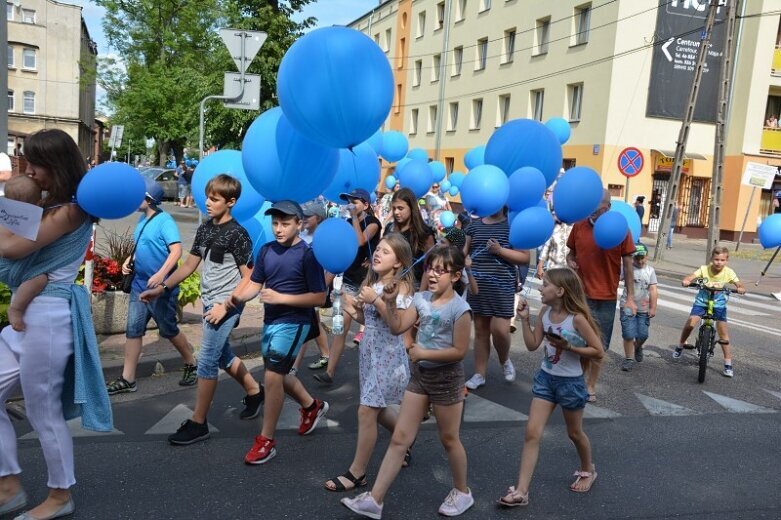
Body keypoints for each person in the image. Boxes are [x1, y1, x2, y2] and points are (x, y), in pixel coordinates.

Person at [0, 128, 112, 519]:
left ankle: (60, 495)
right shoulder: (50, 203)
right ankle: (8, 485)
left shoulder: (72, 210)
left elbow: (11, 246)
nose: (28, 171)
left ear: (57, 166)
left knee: (43, 411)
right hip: (27, 317)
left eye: (36, 164)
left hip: (48, 315)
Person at [341, 246, 475, 518]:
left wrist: (424, 352)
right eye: (430, 268)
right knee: (400, 438)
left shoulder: (460, 309)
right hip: (420, 376)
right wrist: (389, 302)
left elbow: (460, 351)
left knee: (449, 439)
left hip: (446, 378)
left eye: (441, 270)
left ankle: (463, 492)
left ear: (456, 275)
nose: (433, 275)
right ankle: (375, 500)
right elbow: (397, 326)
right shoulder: (422, 299)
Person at [140, 174, 263, 445]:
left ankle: (199, 423)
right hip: (211, 302)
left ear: (230, 202)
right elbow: (187, 266)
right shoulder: (206, 227)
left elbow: (249, 276)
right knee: (222, 355)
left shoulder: (237, 234)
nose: (208, 202)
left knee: (206, 359)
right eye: (207, 196)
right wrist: (162, 287)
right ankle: (255, 391)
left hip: (227, 304)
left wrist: (227, 305)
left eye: (214, 199)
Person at [228, 200, 330, 465]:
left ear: (299, 224)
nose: (279, 228)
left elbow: (319, 297)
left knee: (272, 377)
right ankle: (311, 406)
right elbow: (255, 284)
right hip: (272, 320)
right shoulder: (266, 250)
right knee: (280, 375)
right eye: (275, 223)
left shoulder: (308, 255)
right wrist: (238, 298)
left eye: (285, 223)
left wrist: (281, 298)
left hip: (295, 321)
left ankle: (266, 441)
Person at [498, 268, 605, 508]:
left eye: (545, 284)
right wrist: (525, 320)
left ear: (560, 290)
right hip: (546, 379)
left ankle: (588, 469)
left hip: (571, 384)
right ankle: (522, 491)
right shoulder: (545, 312)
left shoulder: (576, 318)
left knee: (574, 433)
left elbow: (598, 350)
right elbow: (532, 345)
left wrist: (569, 347)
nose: (540, 287)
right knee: (532, 433)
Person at [324, 234, 415, 492]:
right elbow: (370, 319)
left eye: (386, 252)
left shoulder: (402, 288)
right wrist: (348, 305)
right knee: (378, 407)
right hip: (370, 354)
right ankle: (405, 438)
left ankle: (357, 473)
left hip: (387, 357)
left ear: (398, 263)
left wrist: (377, 300)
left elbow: (394, 324)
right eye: (379, 250)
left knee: (367, 410)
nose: (377, 254)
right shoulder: (374, 284)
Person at [106, 179, 197, 395]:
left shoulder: (165, 221)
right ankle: (128, 379)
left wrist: (161, 275)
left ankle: (191, 363)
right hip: (139, 284)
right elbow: (142, 245)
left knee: (168, 329)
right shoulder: (141, 219)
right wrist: (130, 259)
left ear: (149, 199)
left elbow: (176, 251)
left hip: (160, 288)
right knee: (133, 330)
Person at [566, 189, 635, 402]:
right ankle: (576, 379)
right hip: (580, 295)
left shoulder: (620, 229)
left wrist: (630, 296)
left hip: (606, 296)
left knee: (599, 345)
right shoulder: (579, 225)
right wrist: (570, 261)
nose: (595, 212)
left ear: (609, 208)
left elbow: (628, 264)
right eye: (593, 208)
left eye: (600, 208)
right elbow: (571, 253)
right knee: (577, 341)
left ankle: (590, 385)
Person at [314, 189, 381, 385]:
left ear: (366, 205)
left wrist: (353, 217)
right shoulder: (346, 223)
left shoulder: (373, 223)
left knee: (375, 326)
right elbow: (338, 254)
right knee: (340, 328)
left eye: (355, 202)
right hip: (348, 282)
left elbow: (359, 241)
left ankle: (379, 369)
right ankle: (330, 372)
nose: (350, 204)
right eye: (349, 202)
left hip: (367, 283)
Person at [464, 207, 530, 390]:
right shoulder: (474, 225)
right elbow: (462, 248)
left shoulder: (513, 225)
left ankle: (504, 359)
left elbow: (525, 258)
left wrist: (500, 250)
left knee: (500, 330)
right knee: (481, 330)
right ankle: (479, 374)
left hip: (502, 287)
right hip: (477, 285)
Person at [675, 246, 746, 377]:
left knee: (723, 334)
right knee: (690, 323)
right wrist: (687, 281)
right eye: (716, 259)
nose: (719, 262)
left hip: (719, 305)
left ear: (726, 260)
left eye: (722, 260)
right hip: (702, 302)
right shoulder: (704, 269)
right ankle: (680, 345)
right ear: (712, 259)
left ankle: (728, 363)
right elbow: (692, 276)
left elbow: (739, 284)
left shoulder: (729, 272)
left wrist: (740, 288)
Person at [1, 176, 49, 332]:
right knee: (40, 278)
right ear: (38, 203)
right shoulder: (32, 217)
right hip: (12, 265)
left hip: (4, 265)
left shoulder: (4, 213)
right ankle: (16, 309)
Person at [292, 200, 332, 373]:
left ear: (319, 218)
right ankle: (326, 355)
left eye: (309, 215)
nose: (305, 218)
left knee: (305, 323)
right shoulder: (300, 234)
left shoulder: (324, 238)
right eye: (304, 215)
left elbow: (331, 266)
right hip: (301, 286)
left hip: (315, 287)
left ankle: (293, 366)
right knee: (313, 321)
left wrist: (321, 287)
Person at [384, 187, 436, 288]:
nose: (396, 212)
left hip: (411, 287)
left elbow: (428, 266)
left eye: (400, 208)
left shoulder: (424, 234)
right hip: (386, 284)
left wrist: (421, 292)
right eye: (394, 208)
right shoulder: (389, 229)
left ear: (411, 208)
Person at [618, 244, 658, 371]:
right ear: (632, 258)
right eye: (637, 258)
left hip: (643, 309)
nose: (640, 261)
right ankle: (629, 359)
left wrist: (653, 307)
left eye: (642, 258)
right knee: (628, 334)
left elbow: (653, 290)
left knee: (643, 334)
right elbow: (616, 278)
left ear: (647, 256)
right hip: (627, 305)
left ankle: (638, 346)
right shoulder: (627, 268)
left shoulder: (650, 271)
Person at [535, 213, 572, 278]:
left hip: (569, 272)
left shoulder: (578, 227)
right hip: (553, 269)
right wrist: (540, 266)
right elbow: (546, 247)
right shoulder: (555, 227)